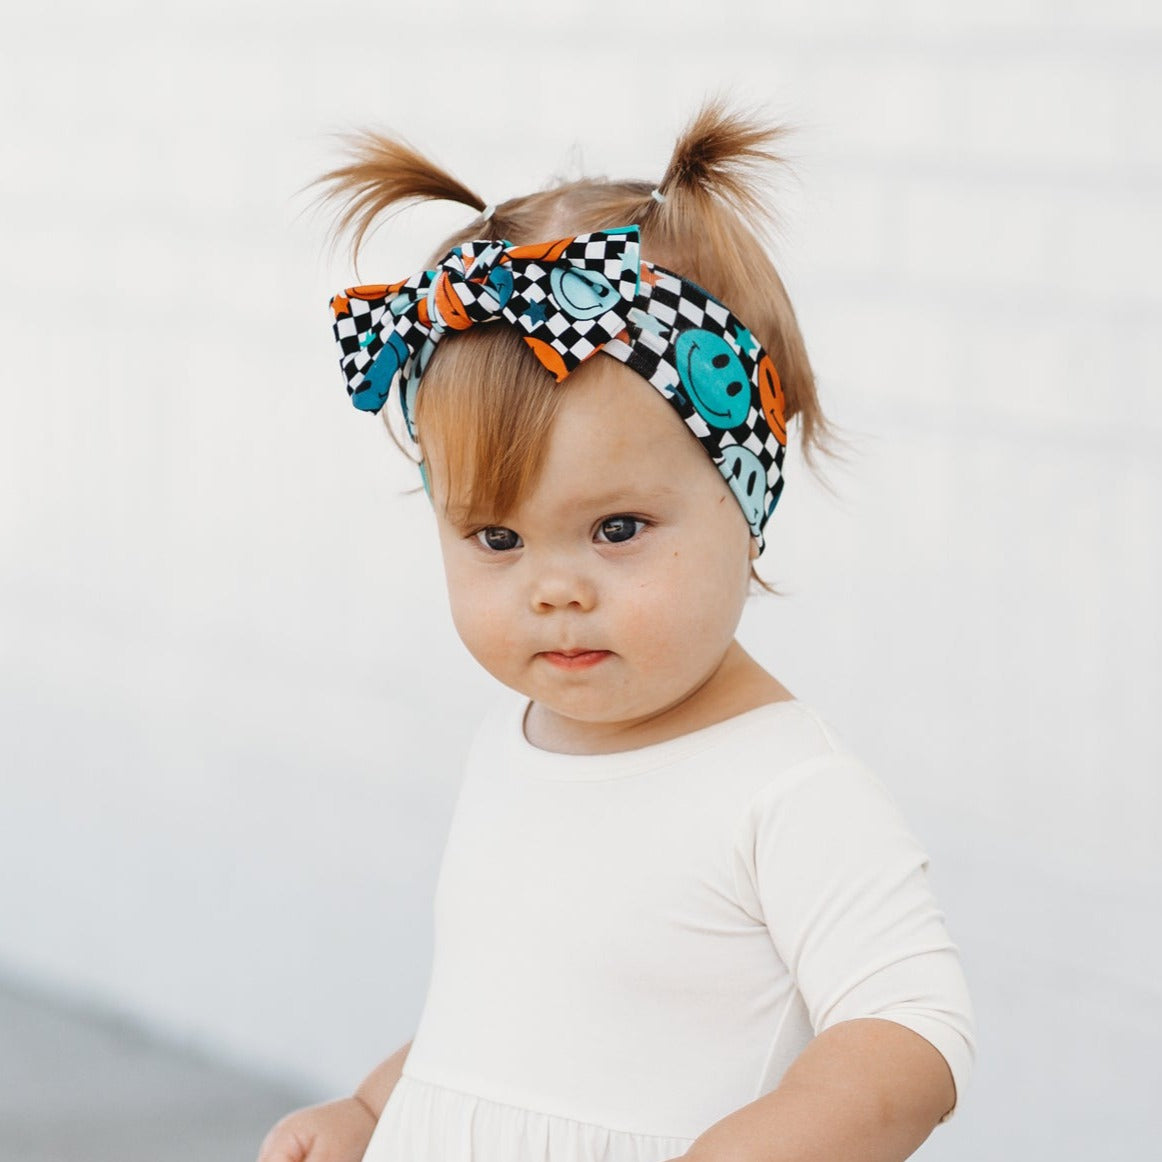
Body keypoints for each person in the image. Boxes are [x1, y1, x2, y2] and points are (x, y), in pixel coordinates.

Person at [258, 99, 975, 1162]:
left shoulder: (787, 788)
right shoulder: (513, 743)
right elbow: (501, 1014)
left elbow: (911, 1040)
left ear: (745, 498)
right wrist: (370, 1112)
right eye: (498, 538)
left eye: (617, 529)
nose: (555, 589)